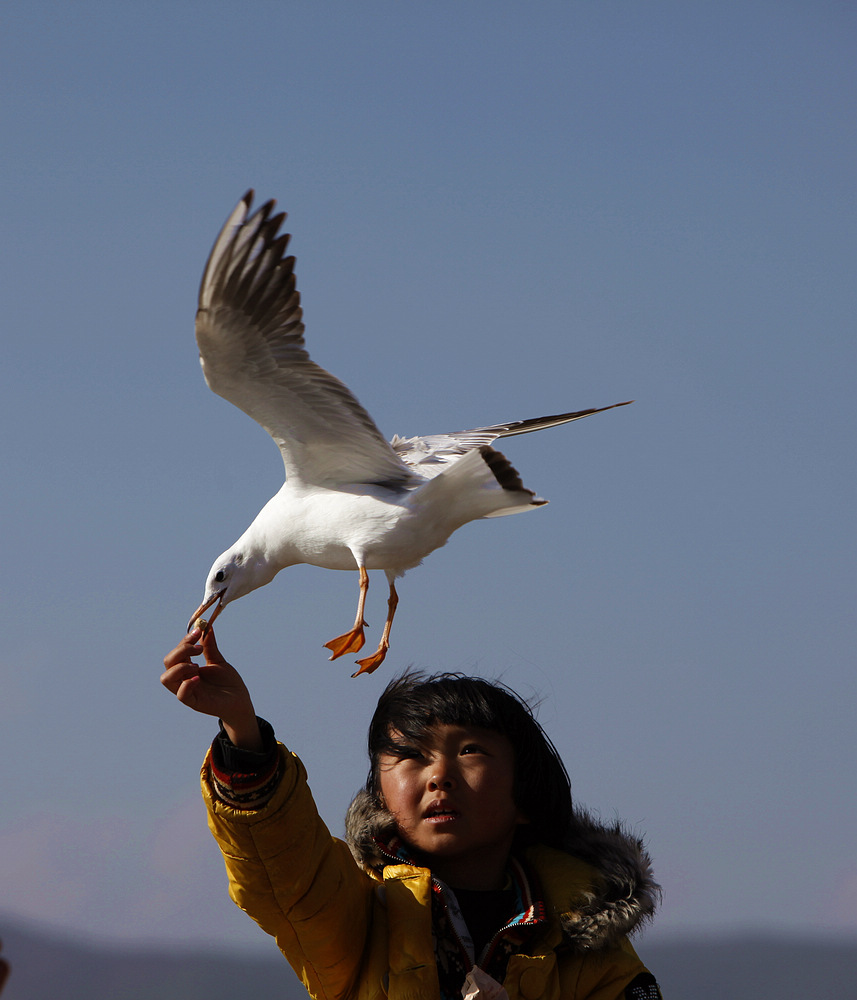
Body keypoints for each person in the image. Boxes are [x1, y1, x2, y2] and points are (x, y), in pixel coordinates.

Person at [162, 627, 664, 1000]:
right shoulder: (359, 914)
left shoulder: (587, 938)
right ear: (380, 796)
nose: (438, 776)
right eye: (411, 756)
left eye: (470, 751)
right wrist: (243, 734)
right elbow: (287, 871)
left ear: (527, 799)